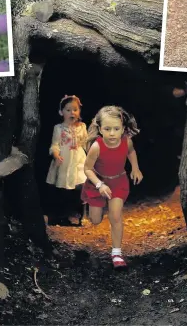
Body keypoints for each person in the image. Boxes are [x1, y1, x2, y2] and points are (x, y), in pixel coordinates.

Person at [81, 106, 142, 269]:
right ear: (100, 129)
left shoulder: (126, 141)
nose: (112, 133)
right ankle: (93, 206)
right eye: (107, 129)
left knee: (115, 216)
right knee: (96, 220)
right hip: (97, 183)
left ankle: (116, 254)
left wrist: (135, 168)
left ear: (123, 128)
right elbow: (87, 169)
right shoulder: (96, 147)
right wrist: (99, 184)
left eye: (116, 129)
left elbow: (131, 152)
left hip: (118, 182)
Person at [46, 95, 89, 226]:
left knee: (82, 187)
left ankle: (84, 215)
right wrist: (56, 154)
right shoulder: (58, 128)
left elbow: (85, 143)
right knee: (63, 189)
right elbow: (55, 144)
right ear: (61, 112)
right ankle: (62, 215)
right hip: (64, 162)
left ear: (79, 112)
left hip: (79, 161)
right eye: (68, 110)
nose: (72, 113)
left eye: (75, 110)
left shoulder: (82, 126)